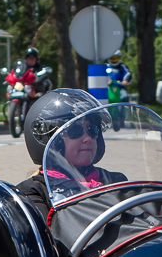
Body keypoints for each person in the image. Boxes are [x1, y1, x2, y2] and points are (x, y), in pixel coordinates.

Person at [17, 89, 125, 218]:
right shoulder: (34, 192)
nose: (87, 138)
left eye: (92, 130)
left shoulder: (115, 181)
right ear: (49, 138)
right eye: (74, 131)